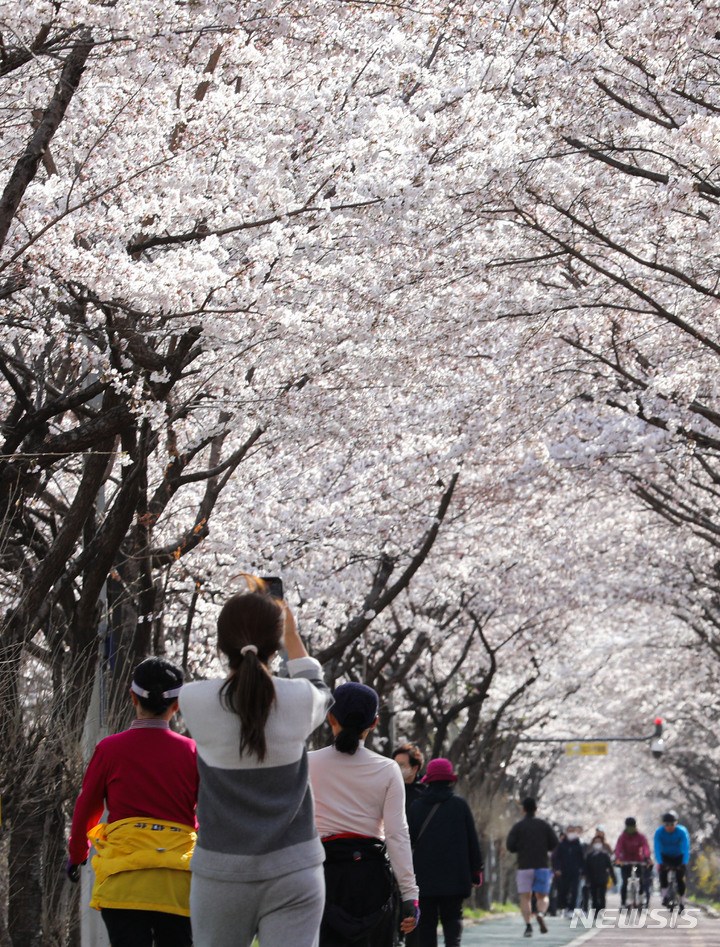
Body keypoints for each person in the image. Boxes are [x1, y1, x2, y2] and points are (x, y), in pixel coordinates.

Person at [179, 591, 332, 947]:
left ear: (221, 645)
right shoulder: (300, 699)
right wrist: (293, 637)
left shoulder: (193, 700)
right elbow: (320, 689)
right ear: (274, 644)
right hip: (295, 869)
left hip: (220, 872)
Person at [67, 657, 198, 947]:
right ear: (177, 705)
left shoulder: (110, 749)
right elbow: (210, 814)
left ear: (132, 697)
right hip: (176, 883)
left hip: (123, 880)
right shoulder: (192, 752)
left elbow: (86, 810)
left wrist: (77, 856)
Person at [408, 758, 483, 947]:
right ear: (449, 779)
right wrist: (476, 871)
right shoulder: (460, 805)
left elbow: (406, 841)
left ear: (429, 779)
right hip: (454, 876)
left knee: (426, 926)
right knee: (452, 922)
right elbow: (472, 841)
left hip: (424, 877)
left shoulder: (417, 807)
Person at [506, 798, 559, 938]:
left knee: (525, 897)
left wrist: (521, 848)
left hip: (524, 866)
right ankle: (540, 913)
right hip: (541, 865)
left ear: (523, 809)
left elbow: (510, 846)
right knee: (542, 896)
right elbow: (555, 843)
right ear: (536, 809)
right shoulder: (544, 825)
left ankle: (528, 926)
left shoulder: (518, 827)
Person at [654, 810, 690, 911]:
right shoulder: (659, 832)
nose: (669, 827)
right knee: (663, 874)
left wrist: (684, 863)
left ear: (676, 823)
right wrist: (661, 863)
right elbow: (657, 848)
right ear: (663, 824)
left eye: (672, 824)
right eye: (667, 824)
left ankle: (682, 900)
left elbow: (686, 848)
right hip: (665, 856)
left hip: (679, 856)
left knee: (680, 878)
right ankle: (665, 894)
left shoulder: (682, 831)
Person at [613, 817, 652, 908]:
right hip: (626, 862)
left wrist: (647, 857)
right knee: (625, 881)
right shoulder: (622, 837)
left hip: (638, 861)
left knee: (641, 880)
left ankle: (641, 899)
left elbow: (645, 847)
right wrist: (617, 858)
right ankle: (623, 902)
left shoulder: (640, 836)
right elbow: (618, 848)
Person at [554, 824, 584, 917]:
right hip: (564, 871)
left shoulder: (578, 844)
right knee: (564, 890)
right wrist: (557, 868)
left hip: (575, 871)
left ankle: (572, 908)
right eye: (569, 831)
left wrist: (583, 871)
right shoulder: (562, 845)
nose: (571, 833)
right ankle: (564, 907)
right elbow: (556, 858)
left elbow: (582, 859)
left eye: (572, 831)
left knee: (574, 891)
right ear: (566, 832)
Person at [392, 743, 426, 815]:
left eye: (402, 765)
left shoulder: (423, 794)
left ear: (414, 768)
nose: (397, 768)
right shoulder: (388, 788)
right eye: (395, 764)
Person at [583, 835, 614, 912]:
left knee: (602, 895)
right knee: (594, 896)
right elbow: (586, 867)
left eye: (599, 842)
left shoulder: (605, 855)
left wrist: (613, 877)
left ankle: (601, 910)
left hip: (603, 878)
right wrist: (585, 877)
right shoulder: (590, 855)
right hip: (592, 878)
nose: (597, 843)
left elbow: (610, 866)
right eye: (596, 842)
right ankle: (595, 911)